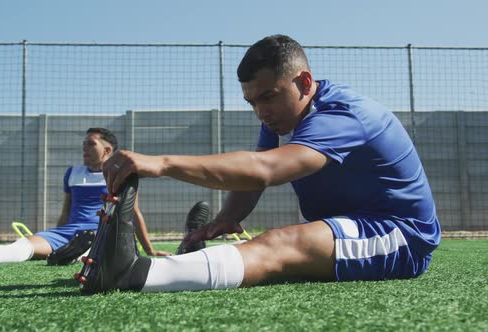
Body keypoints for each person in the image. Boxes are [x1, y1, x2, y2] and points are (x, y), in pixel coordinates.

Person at [78, 34, 442, 293]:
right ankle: (145, 270)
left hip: (399, 235)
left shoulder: (344, 114)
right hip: (346, 226)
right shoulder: (281, 117)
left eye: (268, 97)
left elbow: (266, 169)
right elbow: (254, 179)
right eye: (252, 102)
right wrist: (227, 218)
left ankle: (132, 274)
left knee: (281, 243)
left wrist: (163, 162)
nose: (260, 111)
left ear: (304, 81)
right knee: (280, 243)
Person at [0, 127, 172, 265]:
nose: (84, 148)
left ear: (107, 150)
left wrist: (149, 249)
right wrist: (55, 235)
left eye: (90, 144)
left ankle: (74, 253)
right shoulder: (72, 173)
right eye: (84, 144)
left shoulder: (122, 173)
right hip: (70, 233)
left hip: (102, 232)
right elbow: (66, 211)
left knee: (93, 250)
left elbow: (134, 213)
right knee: (26, 244)